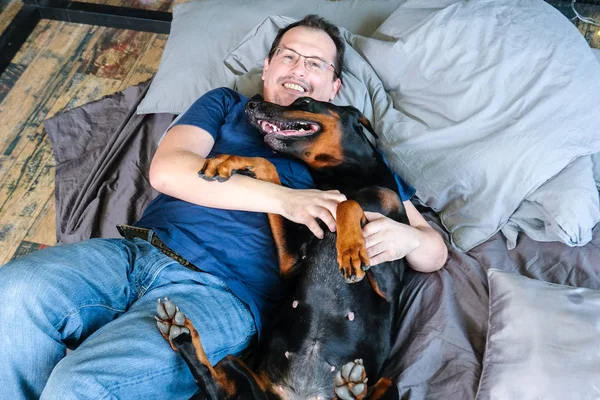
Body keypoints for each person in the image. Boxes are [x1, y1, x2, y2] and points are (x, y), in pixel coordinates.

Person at [0, 15, 447, 399]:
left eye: (315, 63)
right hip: (136, 254)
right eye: (288, 56)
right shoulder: (225, 104)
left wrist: (408, 237)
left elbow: (433, 252)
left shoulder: (348, 153)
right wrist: (287, 199)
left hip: (223, 294)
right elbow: (168, 171)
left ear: (334, 85)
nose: (298, 69)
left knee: (83, 384)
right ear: (267, 67)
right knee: (13, 293)